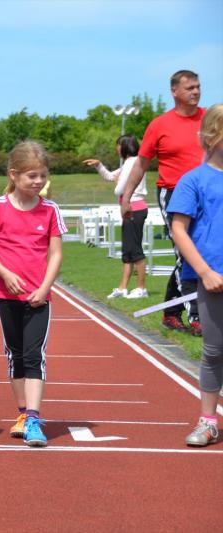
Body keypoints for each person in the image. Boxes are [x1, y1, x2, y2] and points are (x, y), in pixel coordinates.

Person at [0, 141, 67, 447]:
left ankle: (33, 418)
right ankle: (21, 413)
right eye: (32, 176)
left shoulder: (50, 209)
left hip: (39, 297)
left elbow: (56, 254)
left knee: (34, 356)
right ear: (14, 175)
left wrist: (45, 287)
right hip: (6, 296)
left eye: (43, 175)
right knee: (14, 355)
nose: (38, 181)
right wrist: (5, 274)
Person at [120, 70, 205, 336]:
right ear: (174, 91)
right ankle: (197, 317)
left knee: (200, 253)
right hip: (175, 194)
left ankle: (170, 312)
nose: (196, 91)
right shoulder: (160, 125)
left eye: (198, 87)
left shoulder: (209, 120)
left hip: (207, 192)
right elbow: (141, 164)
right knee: (185, 254)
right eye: (190, 87)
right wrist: (126, 196)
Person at [167, 103, 223, 447]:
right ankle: (208, 421)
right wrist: (204, 272)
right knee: (215, 351)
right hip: (212, 280)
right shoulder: (193, 181)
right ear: (214, 136)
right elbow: (178, 229)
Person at [85, 134, 149, 299]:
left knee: (135, 250)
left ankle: (141, 288)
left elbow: (118, 189)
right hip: (130, 209)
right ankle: (123, 287)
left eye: (118, 145)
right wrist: (99, 165)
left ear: (125, 146)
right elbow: (110, 176)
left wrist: (117, 183)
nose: (117, 148)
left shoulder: (132, 163)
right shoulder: (130, 163)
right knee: (127, 251)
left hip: (134, 208)